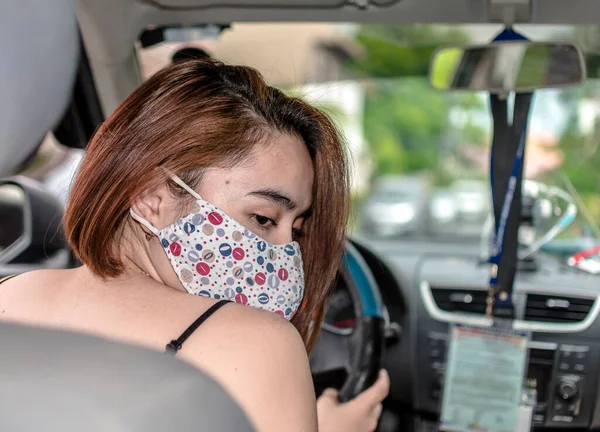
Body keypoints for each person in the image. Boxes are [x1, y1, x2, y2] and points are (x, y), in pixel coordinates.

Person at [0, 59, 388, 431]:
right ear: (152, 198)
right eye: (264, 219)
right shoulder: (258, 343)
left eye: (298, 230)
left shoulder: (9, 295)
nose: (288, 252)